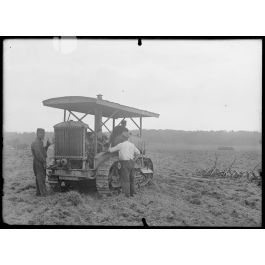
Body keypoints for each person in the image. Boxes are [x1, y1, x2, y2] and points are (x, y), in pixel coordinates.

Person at [108, 133, 140, 197]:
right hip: (131, 162)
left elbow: (110, 151)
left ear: (122, 138)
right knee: (131, 178)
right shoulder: (132, 145)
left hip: (125, 163)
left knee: (125, 179)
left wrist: (109, 145)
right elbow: (138, 153)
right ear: (128, 138)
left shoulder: (121, 145)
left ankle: (127, 195)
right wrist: (134, 160)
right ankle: (133, 193)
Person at [31, 128, 50, 196]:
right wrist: (44, 162)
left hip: (39, 161)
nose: (43, 135)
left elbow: (43, 151)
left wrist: (47, 145)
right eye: (42, 133)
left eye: (44, 133)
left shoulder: (40, 142)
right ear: (38, 134)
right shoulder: (37, 142)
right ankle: (43, 193)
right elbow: (38, 154)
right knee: (41, 177)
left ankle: (38, 193)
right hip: (38, 162)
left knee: (40, 177)